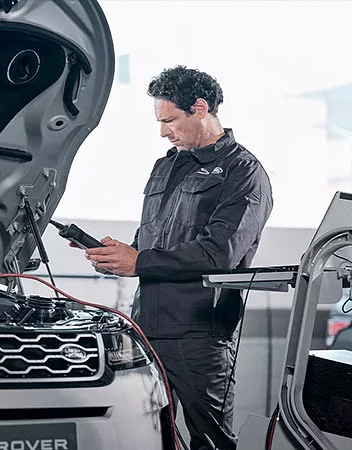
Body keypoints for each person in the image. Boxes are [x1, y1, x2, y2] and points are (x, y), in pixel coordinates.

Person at [83, 66, 273, 450]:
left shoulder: (244, 172)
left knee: (211, 443)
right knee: (153, 439)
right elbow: (150, 242)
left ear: (200, 108)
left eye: (169, 120)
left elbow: (219, 253)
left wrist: (140, 261)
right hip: (145, 329)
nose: (163, 132)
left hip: (199, 336)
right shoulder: (166, 166)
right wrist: (117, 254)